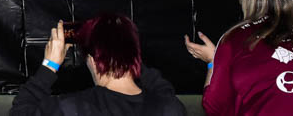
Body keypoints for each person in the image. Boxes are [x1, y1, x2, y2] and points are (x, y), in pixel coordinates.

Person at [11, 15, 184, 115]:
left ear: (93, 60)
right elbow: (162, 88)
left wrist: (49, 65)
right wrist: (125, 51)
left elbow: (21, 111)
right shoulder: (170, 108)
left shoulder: (71, 108)